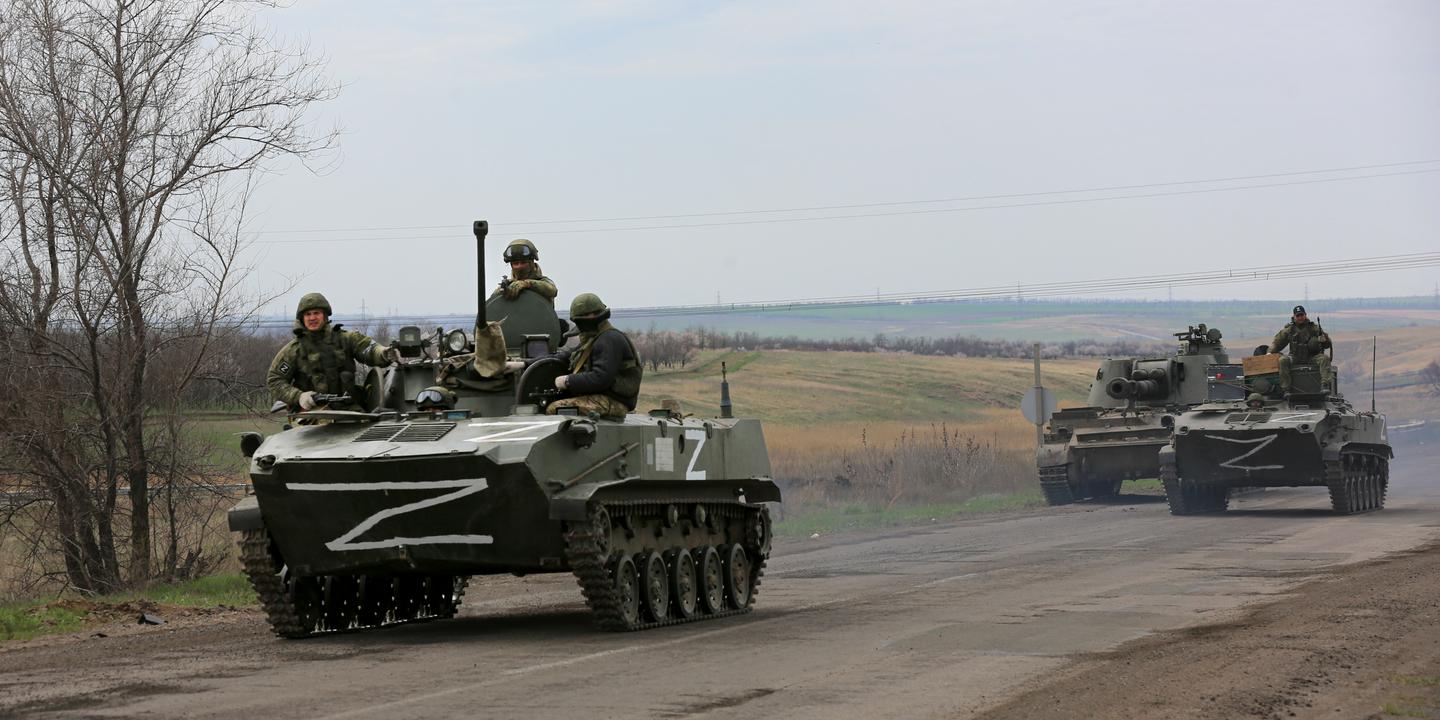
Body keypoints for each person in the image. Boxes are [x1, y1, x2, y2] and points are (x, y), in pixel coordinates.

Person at [267, 292, 400, 411]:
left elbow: (369, 350)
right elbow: (275, 380)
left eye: (316, 313)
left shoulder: (346, 339)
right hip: (312, 413)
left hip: (349, 410)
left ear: (325, 316)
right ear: (302, 318)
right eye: (308, 314)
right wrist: (299, 396)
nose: (312, 318)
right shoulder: (294, 350)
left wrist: (383, 353)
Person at [545, 293, 642, 419]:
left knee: (553, 409)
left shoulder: (609, 339)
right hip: (601, 397)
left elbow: (600, 378)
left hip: (614, 402)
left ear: (591, 316)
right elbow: (564, 356)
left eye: (581, 318)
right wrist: (523, 363)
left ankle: (576, 439)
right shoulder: (594, 339)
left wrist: (568, 381)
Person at [1266, 304, 1333, 391]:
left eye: (1302, 315)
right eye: (1298, 316)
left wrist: (1325, 340)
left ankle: (1325, 385)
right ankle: (1286, 388)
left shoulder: (1314, 328)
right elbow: (1277, 342)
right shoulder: (1289, 330)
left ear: (1305, 315)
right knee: (1282, 360)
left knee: (1324, 358)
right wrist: (1269, 352)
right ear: (1294, 317)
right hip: (1294, 357)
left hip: (1311, 357)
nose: (1300, 317)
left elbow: (1327, 345)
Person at [490, 239, 557, 305]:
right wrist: (501, 292)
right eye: (516, 263)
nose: (519, 266)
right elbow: (492, 305)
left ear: (531, 263)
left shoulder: (543, 282)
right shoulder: (508, 286)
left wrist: (527, 284)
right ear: (511, 266)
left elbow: (552, 290)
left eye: (523, 262)